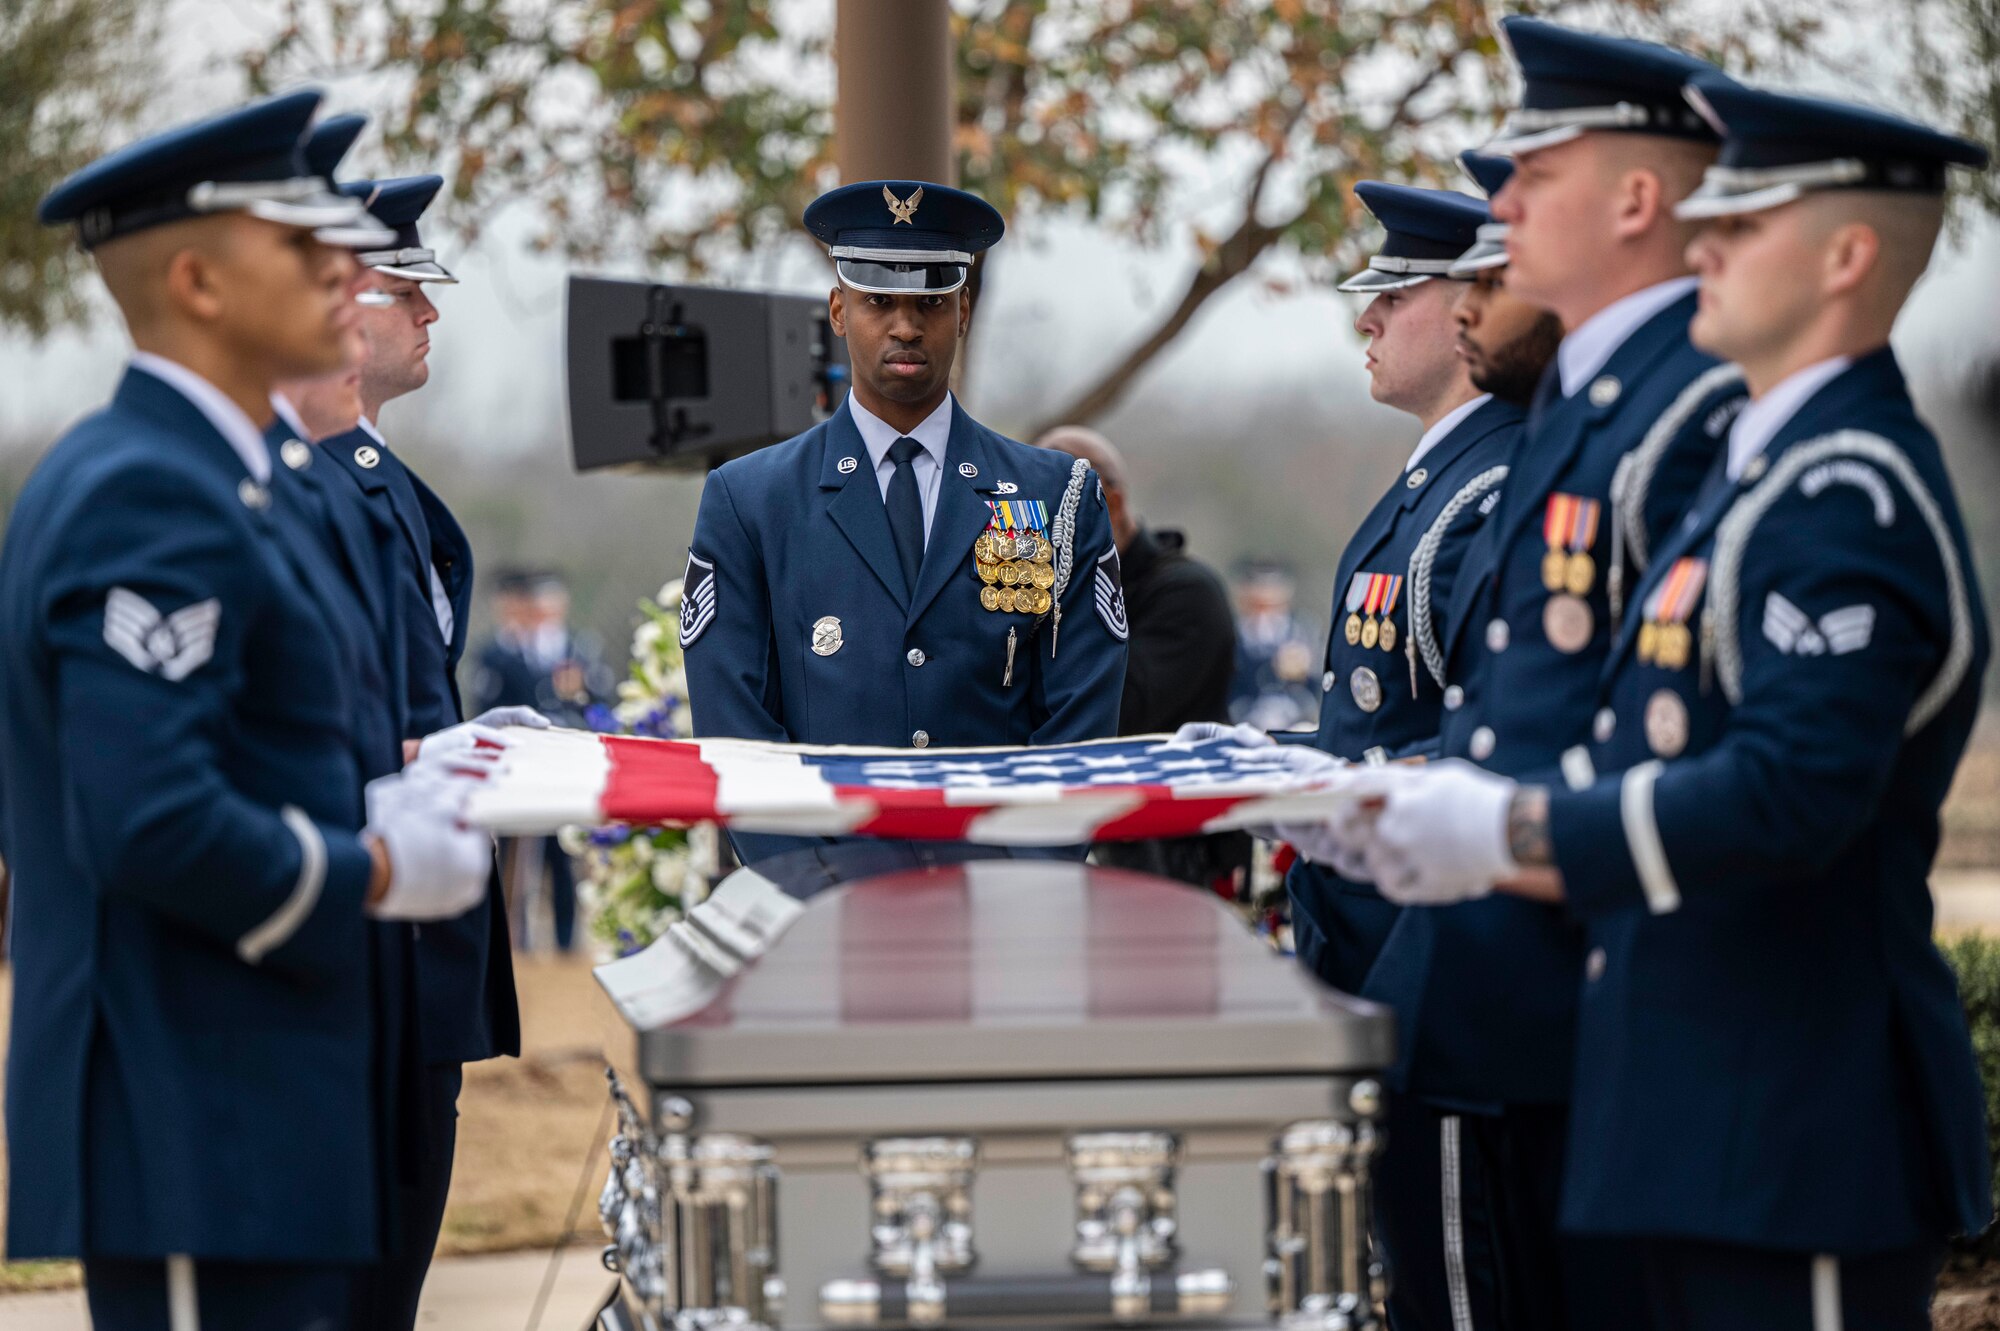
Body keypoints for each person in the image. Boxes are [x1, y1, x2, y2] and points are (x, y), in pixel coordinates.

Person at [1338, 81, 1991, 1331]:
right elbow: (1635, 735)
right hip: (1690, 1109)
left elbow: (1791, 789)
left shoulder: (1841, 490)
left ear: (1847, 256)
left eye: (1739, 227)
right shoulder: (1763, 466)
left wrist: (1508, 835)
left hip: (1795, 1120)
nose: (1702, 248)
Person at [2, 90, 495, 1331]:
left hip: (264, 1094)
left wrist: (401, 784)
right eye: (300, 242)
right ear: (199, 282)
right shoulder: (144, 493)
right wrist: (381, 862)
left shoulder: (233, 479)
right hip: (189, 1110)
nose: (344, 269)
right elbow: (150, 819)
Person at [1330, 21, 1753, 1329]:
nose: (1497, 219)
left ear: (1638, 201)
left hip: (1543, 999)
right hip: (1471, 982)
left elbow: (1692, 744)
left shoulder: (1673, 421)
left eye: (1532, 182)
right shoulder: (1588, 416)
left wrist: (1467, 812)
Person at [681, 180, 1128, 868]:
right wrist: (809, 888)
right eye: (878, 301)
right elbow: (735, 728)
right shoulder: (751, 498)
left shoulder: (1057, 492)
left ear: (965, 310)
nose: (906, 326)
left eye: (930, 303)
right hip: (824, 904)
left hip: (1003, 896)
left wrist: (1019, 878)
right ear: (837, 309)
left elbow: (1080, 715)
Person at [1034, 424, 1245, 894]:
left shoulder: (1187, 595)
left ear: (1108, 503)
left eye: (1047, 512)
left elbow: (1113, 713)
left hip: (1176, 859)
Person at [472, 569, 610, 952]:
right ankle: (517, 940)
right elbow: (487, 703)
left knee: (563, 854)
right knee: (516, 855)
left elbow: (599, 700)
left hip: (564, 765)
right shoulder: (502, 652)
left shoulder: (577, 647)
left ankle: (567, 941)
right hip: (520, 765)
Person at [1228, 562, 1320, 731]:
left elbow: (1316, 683)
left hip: (1293, 716)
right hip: (1245, 715)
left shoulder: (1301, 631)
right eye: (1259, 604)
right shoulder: (1234, 633)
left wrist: (1303, 670)